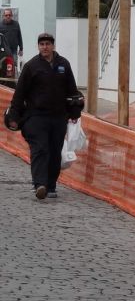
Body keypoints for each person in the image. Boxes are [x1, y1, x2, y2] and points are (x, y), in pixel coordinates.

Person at [9, 32, 83, 200]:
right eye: (42, 44)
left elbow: (72, 91)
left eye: (48, 44)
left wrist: (75, 112)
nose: (45, 47)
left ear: (53, 46)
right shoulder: (31, 66)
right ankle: (39, 184)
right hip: (35, 116)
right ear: (38, 46)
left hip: (58, 116)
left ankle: (50, 185)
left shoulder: (64, 64)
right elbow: (19, 94)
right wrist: (14, 116)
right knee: (40, 148)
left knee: (55, 151)